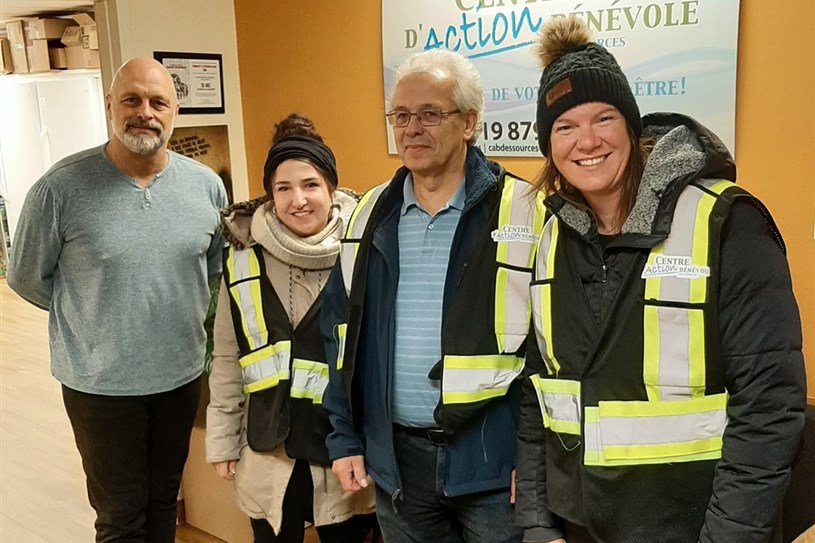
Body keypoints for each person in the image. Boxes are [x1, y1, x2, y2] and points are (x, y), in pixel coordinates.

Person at [514, 16, 807, 543]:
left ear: (631, 125)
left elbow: (769, 404)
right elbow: (540, 392)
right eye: (564, 127)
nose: (586, 141)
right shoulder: (553, 235)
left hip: (697, 528)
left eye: (603, 118)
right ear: (548, 145)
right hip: (577, 528)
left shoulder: (725, 222)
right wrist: (538, 524)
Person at [320, 50, 546, 543]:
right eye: (401, 115)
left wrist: (534, 460)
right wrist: (344, 437)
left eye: (429, 114)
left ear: (469, 123)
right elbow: (339, 338)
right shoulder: (368, 214)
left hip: (493, 466)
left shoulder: (526, 211)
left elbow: (552, 349)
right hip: (399, 467)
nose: (412, 129)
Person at [6, 57, 227, 542]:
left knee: (163, 503)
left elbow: (210, 268)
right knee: (120, 518)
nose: (144, 112)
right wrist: (94, 313)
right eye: (131, 99)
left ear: (174, 112)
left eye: (158, 102)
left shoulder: (206, 187)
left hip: (179, 375)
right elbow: (25, 277)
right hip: (100, 385)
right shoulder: (60, 189)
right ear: (110, 106)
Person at [205, 113, 377, 543]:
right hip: (269, 453)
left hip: (342, 451)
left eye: (310, 185)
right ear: (270, 194)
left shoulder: (364, 251)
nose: (298, 200)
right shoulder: (243, 258)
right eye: (283, 188)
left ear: (331, 188)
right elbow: (227, 357)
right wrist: (223, 439)